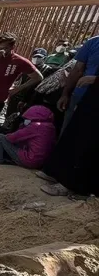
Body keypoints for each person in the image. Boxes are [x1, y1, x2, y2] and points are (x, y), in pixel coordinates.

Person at [38, 65, 99, 197]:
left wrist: (96, 79)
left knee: (88, 143)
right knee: (75, 136)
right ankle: (59, 174)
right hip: (92, 99)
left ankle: (72, 185)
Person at [0, 105, 56, 169]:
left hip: (30, 160)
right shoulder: (50, 127)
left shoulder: (34, 127)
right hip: (41, 162)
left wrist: (21, 128)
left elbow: (11, 138)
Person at [57, 35, 99, 131]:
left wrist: (95, 80)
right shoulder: (93, 42)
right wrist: (65, 94)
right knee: (68, 131)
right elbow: (77, 70)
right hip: (79, 96)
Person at [6, 48, 56, 116]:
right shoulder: (27, 67)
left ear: (44, 58)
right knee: (10, 115)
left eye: (39, 57)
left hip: (33, 98)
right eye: (35, 56)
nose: (37, 59)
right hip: (20, 95)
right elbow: (18, 81)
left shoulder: (48, 70)